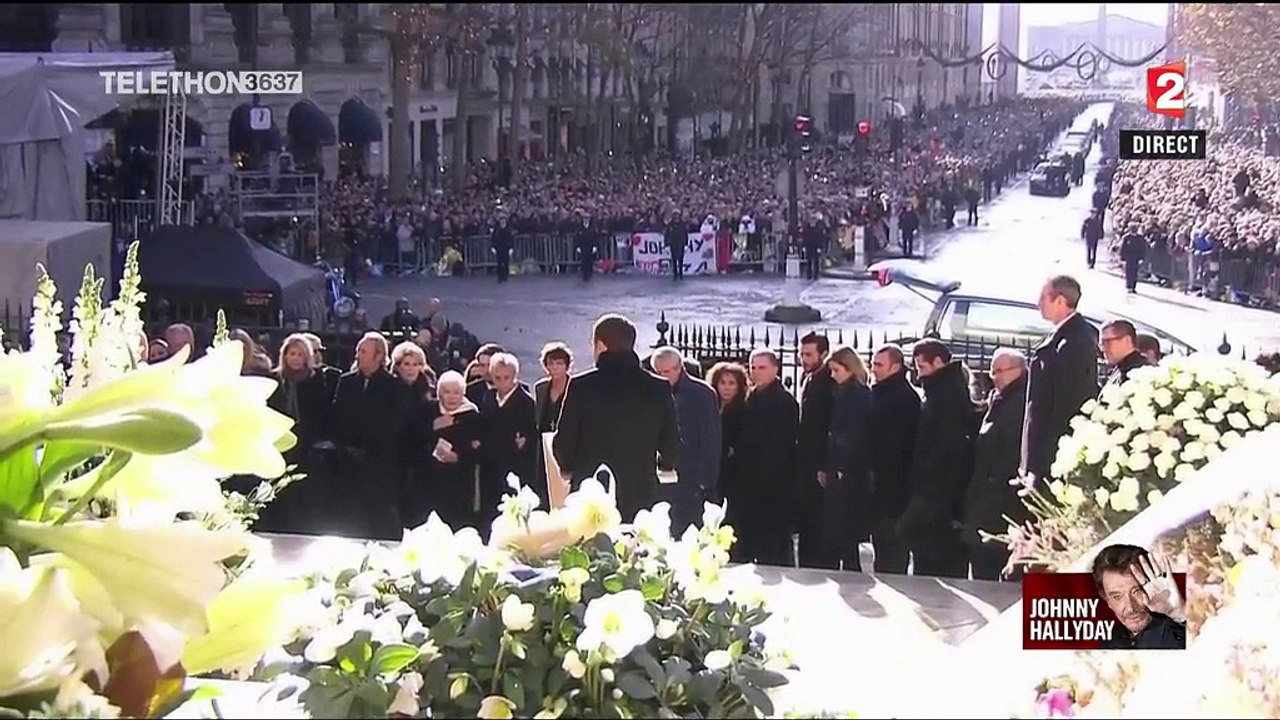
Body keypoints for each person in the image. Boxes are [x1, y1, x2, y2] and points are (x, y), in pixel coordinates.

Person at [553, 314, 681, 522]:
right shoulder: (658, 387)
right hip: (640, 489)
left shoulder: (581, 386)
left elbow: (564, 440)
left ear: (601, 346)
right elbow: (671, 441)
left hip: (591, 493)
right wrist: (665, 465)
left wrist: (567, 468)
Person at [897, 339, 979, 579]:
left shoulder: (947, 395)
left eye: (922, 367)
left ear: (939, 362)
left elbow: (949, 449)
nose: (919, 373)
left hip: (938, 492)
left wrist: (926, 481)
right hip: (934, 489)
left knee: (926, 546)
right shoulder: (939, 391)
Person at [330, 332, 409, 539]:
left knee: (381, 520)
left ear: (379, 355)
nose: (358, 355)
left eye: (363, 351)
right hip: (348, 465)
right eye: (358, 350)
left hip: (380, 466)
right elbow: (337, 417)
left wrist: (370, 446)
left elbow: (395, 424)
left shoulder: (395, 386)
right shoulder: (346, 382)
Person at [1022, 275, 1100, 484]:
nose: (1038, 304)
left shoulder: (1074, 342)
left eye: (1043, 298)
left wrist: (1041, 464)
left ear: (1060, 300)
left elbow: (1066, 406)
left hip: (1053, 457)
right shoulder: (1064, 337)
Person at [961, 348, 1028, 581]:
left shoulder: (1018, 402)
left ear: (1018, 371)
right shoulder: (1000, 399)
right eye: (992, 371)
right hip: (987, 497)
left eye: (1000, 371)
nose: (994, 376)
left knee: (990, 566)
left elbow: (1007, 450)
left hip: (1000, 499)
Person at [728, 348, 799, 567]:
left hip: (772, 484)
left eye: (762, 367)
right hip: (748, 481)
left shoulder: (784, 401)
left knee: (773, 545)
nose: (756, 372)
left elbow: (781, 446)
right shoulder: (752, 396)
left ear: (775, 369)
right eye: (753, 367)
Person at [261, 333, 334, 534]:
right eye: (291, 353)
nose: (295, 358)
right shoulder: (274, 380)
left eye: (300, 354)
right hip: (280, 441)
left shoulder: (316, 381)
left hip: (308, 444)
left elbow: (321, 413)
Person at [651, 346, 721, 533]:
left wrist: (706, 482)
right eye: (658, 372)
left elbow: (711, 440)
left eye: (667, 371)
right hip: (659, 478)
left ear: (679, 368)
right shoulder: (652, 391)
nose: (663, 376)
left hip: (690, 480)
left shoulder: (702, 394)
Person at [866, 344, 921, 574]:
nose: (873, 369)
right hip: (880, 488)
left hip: (892, 490)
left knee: (892, 551)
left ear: (895, 366)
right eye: (872, 364)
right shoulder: (881, 393)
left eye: (879, 365)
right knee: (882, 549)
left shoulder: (902, 398)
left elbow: (895, 448)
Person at [822, 346, 873, 572]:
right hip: (840, 468)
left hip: (849, 472)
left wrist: (841, 465)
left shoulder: (858, 396)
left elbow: (855, 434)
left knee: (846, 530)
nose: (833, 376)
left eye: (836, 370)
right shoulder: (844, 393)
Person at [478, 353, 538, 536]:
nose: (502, 382)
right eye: (497, 377)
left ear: (515, 376)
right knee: (489, 510)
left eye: (507, 377)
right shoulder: (488, 397)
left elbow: (531, 435)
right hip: (489, 465)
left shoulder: (526, 402)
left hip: (514, 467)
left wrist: (523, 442)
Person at [1093, 544, 1187, 650]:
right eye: (1117, 597)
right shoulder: (1108, 641)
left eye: (1138, 591)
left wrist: (1179, 615)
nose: (1131, 608)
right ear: (1108, 601)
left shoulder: (1178, 633)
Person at [795, 332, 836, 569]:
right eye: (801, 354)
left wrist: (822, 465)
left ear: (823, 354)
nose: (803, 358)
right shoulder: (810, 377)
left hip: (817, 461)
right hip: (808, 460)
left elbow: (824, 425)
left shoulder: (825, 382)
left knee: (816, 522)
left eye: (809, 354)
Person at [426, 371, 486, 529]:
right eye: (447, 392)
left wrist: (458, 457)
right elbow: (415, 442)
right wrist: (432, 428)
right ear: (439, 393)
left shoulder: (472, 416)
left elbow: (479, 450)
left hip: (459, 484)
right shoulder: (427, 411)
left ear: (463, 394)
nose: (452, 397)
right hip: (429, 482)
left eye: (456, 392)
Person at [391, 341, 437, 527]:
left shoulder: (426, 389)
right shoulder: (390, 388)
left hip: (420, 457)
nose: (411, 369)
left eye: (416, 364)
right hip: (396, 455)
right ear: (398, 366)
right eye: (406, 364)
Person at [533, 342, 573, 507]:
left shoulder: (575, 386)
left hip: (567, 443)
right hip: (544, 444)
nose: (555, 368)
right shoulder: (541, 388)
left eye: (559, 363)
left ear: (566, 366)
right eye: (551, 363)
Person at [707, 361, 749, 505]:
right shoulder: (710, 407)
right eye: (723, 383)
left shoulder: (744, 409)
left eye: (732, 383)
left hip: (733, 472)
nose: (727, 388)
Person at [1099, 319, 1151, 388]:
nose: (1102, 349)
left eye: (1107, 342)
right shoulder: (1120, 367)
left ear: (1127, 340)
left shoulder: (1140, 375)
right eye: (1101, 344)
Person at [1118, 224, 1147, 294]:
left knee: (1134, 273)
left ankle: (1133, 287)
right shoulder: (1126, 237)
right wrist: (1122, 257)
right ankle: (1128, 286)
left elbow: (1143, 249)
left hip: (1136, 258)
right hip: (1128, 258)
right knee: (1128, 273)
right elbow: (1122, 248)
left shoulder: (1140, 238)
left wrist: (1142, 258)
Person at [491, 216, 515, 283]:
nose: (502, 222)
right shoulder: (497, 229)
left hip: (506, 248)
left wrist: (511, 248)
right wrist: (493, 247)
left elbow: (511, 239)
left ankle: (505, 275)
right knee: (499, 262)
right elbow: (493, 238)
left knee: (506, 262)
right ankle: (500, 276)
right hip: (499, 248)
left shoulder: (509, 229)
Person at [664, 213, 687, 281]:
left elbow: (685, 234)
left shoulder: (682, 225)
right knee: (674, 259)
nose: (676, 218)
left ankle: (681, 273)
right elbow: (666, 235)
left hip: (681, 244)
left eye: (677, 216)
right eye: (675, 216)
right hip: (673, 244)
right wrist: (666, 244)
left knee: (681, 260)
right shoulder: (670, 225)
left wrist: (686, 244)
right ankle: (675, 274)